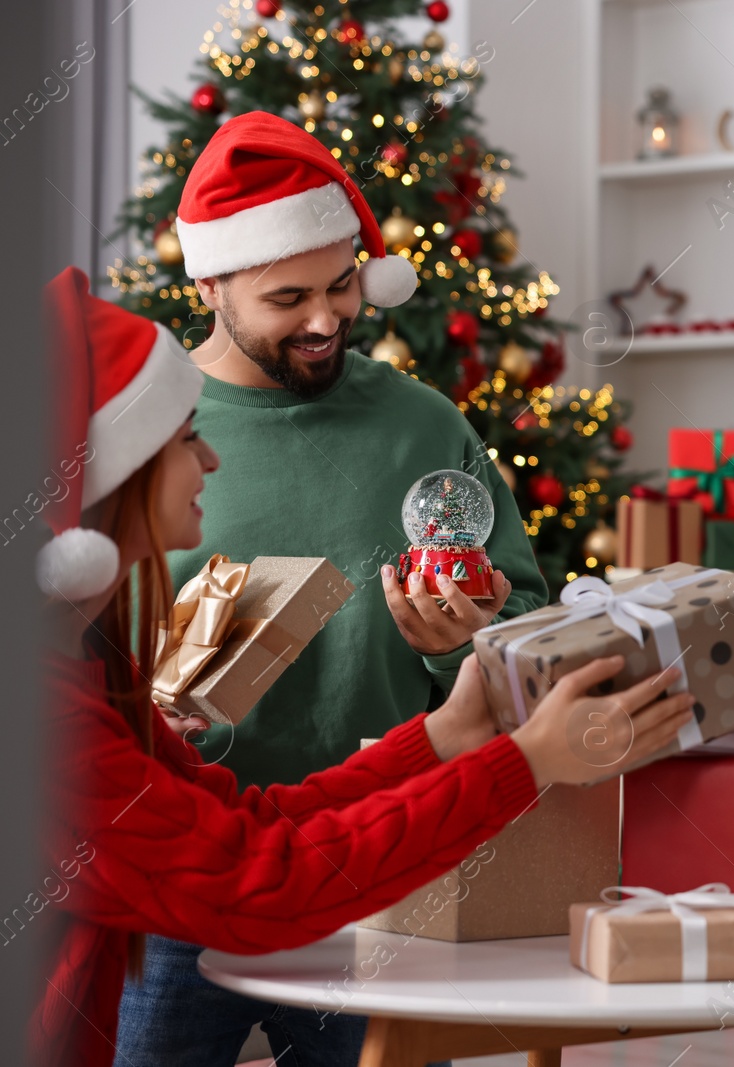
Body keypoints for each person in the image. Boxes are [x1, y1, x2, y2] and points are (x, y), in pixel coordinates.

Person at [33, 266, 694, 1067]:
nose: (211, 456)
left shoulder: (85, 686)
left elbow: (256, 825)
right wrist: (525, 762)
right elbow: (262, 884)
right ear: (118, 478)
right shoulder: (49, 724)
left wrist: (446, 735)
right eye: (183, 439)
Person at [108, 112, 553, 1065]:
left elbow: (526, 620)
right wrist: (141, 716)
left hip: (382, 864)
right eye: (287, 296)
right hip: (185, 873)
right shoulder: (149, 441)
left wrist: (459, 644)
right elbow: (86, 648)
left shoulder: (424, 428)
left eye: (343, 283)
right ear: (209, 285)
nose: (325, 318)